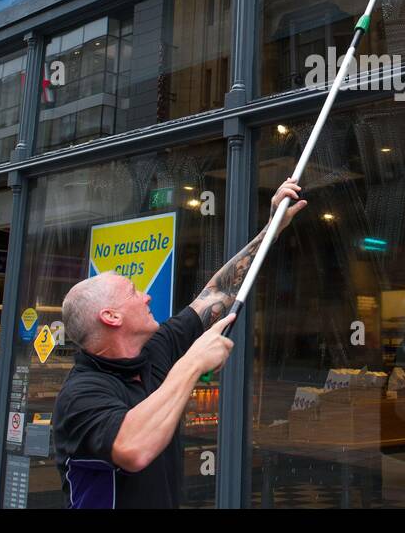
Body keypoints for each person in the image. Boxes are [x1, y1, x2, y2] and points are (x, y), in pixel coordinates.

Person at [52, 178, 306, 508]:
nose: (146, 296)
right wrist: (191, 364)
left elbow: (217, 294)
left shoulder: (155, 349)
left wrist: (271, 228)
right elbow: (133, 449)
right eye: (132, 291)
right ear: (111, 317)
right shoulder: (81, 394)